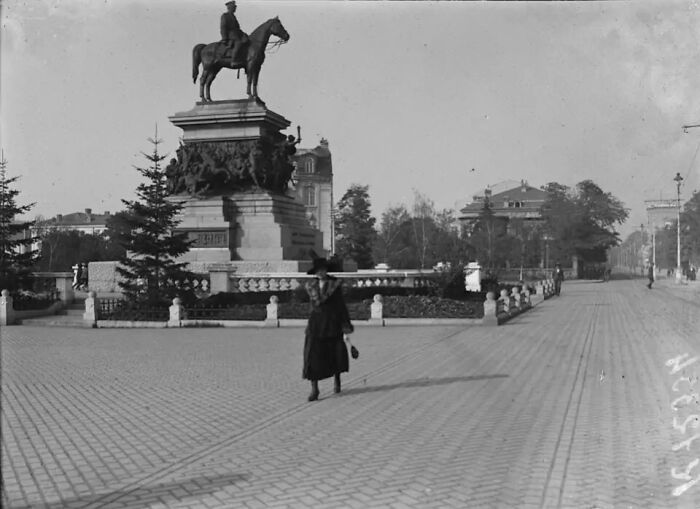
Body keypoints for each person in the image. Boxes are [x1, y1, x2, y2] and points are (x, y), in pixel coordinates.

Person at [303, 257, 354, 402]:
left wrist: (345, 325)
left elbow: (341, 306)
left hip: (332, 323)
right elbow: (311, 306)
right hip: (316, 324)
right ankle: (315, 389)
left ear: (326, 270)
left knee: (335, 353)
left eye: (322, 270)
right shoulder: (310, 285)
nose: (320, 273)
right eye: (318, 270)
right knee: (312, 355)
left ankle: (337, 379)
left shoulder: (334, 285)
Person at [220, 0, 249, 67]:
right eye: (234, 7)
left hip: (237, 34)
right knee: (239, 42)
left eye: (235, 7)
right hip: (231, 35)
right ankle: (233, 60)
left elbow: (237, 28)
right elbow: (223, 27)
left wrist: (244, 34)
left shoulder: (233, 16)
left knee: (247, 40)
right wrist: (224, 38)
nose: (235, 8)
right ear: (230, 7)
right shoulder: (225, 16)